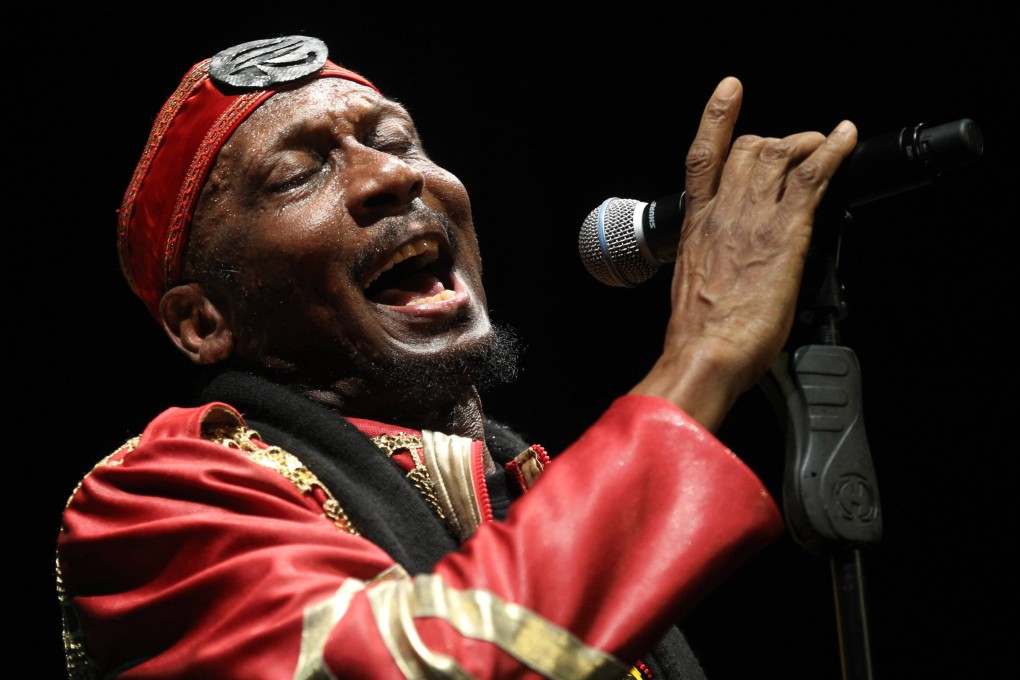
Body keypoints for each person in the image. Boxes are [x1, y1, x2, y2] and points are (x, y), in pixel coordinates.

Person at [55, 34, 857, 679]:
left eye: (396, 138)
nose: (391, 177)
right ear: (203, 323)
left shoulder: (522, 485)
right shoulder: (153, 502)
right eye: (298, 174)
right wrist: (707, 354)